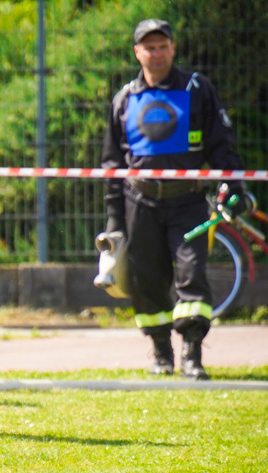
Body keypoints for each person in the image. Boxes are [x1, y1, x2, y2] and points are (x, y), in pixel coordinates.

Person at [101, 19, 252, 380]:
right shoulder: (124, 98)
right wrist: (114, 218)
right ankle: (160, 352)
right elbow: (111, 164)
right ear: (137, 52)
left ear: (173, 48)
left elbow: (221, 146)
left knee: (191, 276)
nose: (156, 53)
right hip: (139, 203)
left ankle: (192, 354)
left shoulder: (197, 89)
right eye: (148, 47)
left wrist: (235, 187)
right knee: (147, 280)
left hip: (189, 204)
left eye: (162, 46)